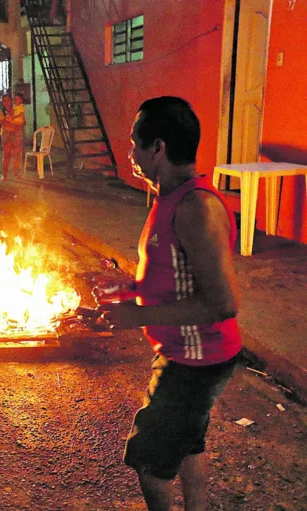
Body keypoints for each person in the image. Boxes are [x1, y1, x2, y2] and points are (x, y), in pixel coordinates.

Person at [97, 96, 241, 511]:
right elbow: (173, 274)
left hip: (197, 359)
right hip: (186, 352)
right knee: (189, 442)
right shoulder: (169, 198)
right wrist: (130, 289)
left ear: (157, 148)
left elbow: (223, 303)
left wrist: (137, 315)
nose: (131, 154)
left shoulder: (196, 207)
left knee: (149, 462)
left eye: (134, 145)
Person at [0, 93, 26, 180]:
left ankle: (16, 173)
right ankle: (4, 174)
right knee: (7, 155)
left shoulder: (17, 109)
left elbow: (23, 121)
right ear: (2, 102)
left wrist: (20, 124)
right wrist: (16, 126)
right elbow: (4, 123)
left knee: (17, 155)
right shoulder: (2, 112)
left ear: (11, 101)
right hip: (7, 135)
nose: (7, 103)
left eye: (8, 100)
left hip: (17, 134)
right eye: (5, 101)